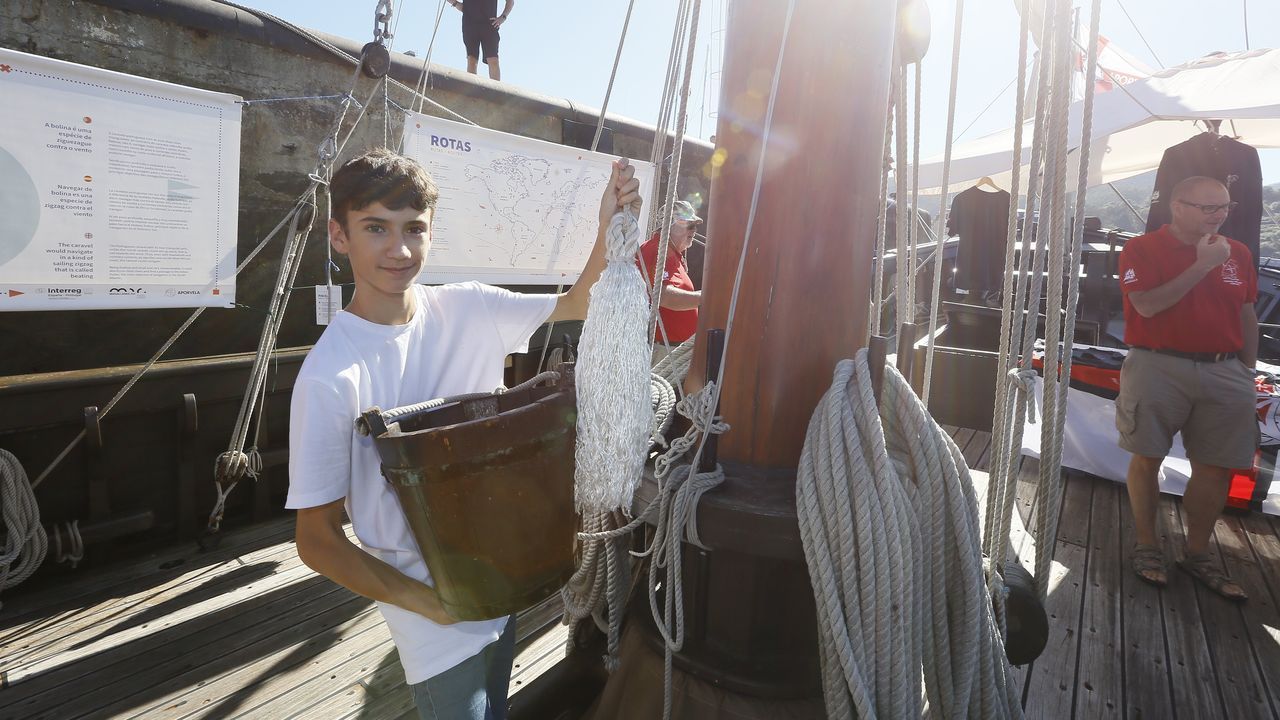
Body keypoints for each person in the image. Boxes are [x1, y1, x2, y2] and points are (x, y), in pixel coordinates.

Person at [287, 148, 640, 719]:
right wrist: (432, 605)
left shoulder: (470, 308)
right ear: (338, 235)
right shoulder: (330, 376)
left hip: (502, 580)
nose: (398, 250)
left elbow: (579, 301)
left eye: (413, 229)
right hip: (435, 623)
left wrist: (609, 224)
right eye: (375, 228)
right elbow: (317, 539)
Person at [1116, 175, 1256, 601]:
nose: (1219, 216)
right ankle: (1146, 545)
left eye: (1225, 208)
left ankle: (1197, 554)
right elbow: (1147, 304)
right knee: (1147, 456)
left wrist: (1246, 370)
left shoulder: (1241, 253)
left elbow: (1247, 313)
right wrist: (1202, 265)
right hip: (1158, 365)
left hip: (1226, 371)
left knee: (1216, 466)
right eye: (1209, 208)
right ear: (1178, 207)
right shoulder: (1141, 249)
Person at [638, 200, 702, 361]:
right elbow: (663, 296)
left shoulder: (669, 253)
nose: (694, 230)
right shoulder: (658, 251)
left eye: (695, 226)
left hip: (673, 350)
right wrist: (707, 298)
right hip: (664, 352)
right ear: (670, 225)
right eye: (689, 225)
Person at [447, 0, 514, 81]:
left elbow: (510, 1)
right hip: (470, 24)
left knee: (493, 60)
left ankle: (495, 92)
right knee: (472, 60)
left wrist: (503, 17)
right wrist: (455, 3)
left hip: (489, 24)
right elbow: (465, 8)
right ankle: (471, 91)